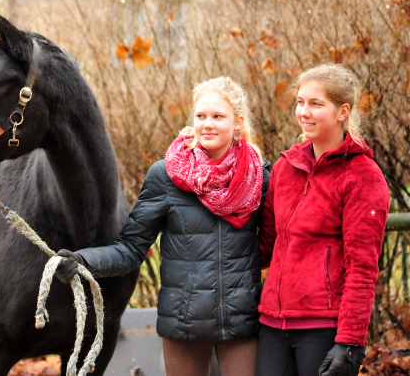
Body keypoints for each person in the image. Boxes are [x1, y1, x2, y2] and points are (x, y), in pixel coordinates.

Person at [55, 77, 271, 376]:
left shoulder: (259, 176)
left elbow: (274, 245)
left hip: (243, 322)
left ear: (238, 122)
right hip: (183, 323)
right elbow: (131, 248)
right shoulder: (167, 175)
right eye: (201, 116)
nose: (207, 124)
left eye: (218, 116)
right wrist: (83, 261)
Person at [255, 63, 389, 376]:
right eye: (300, 102)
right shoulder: (286, 167)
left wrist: (350, 341)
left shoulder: (363, 177)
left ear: (343, 111)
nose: (304, 112)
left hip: (324, 327)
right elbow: (266, 245)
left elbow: (363, 267)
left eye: (316, 104)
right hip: (272, 324)